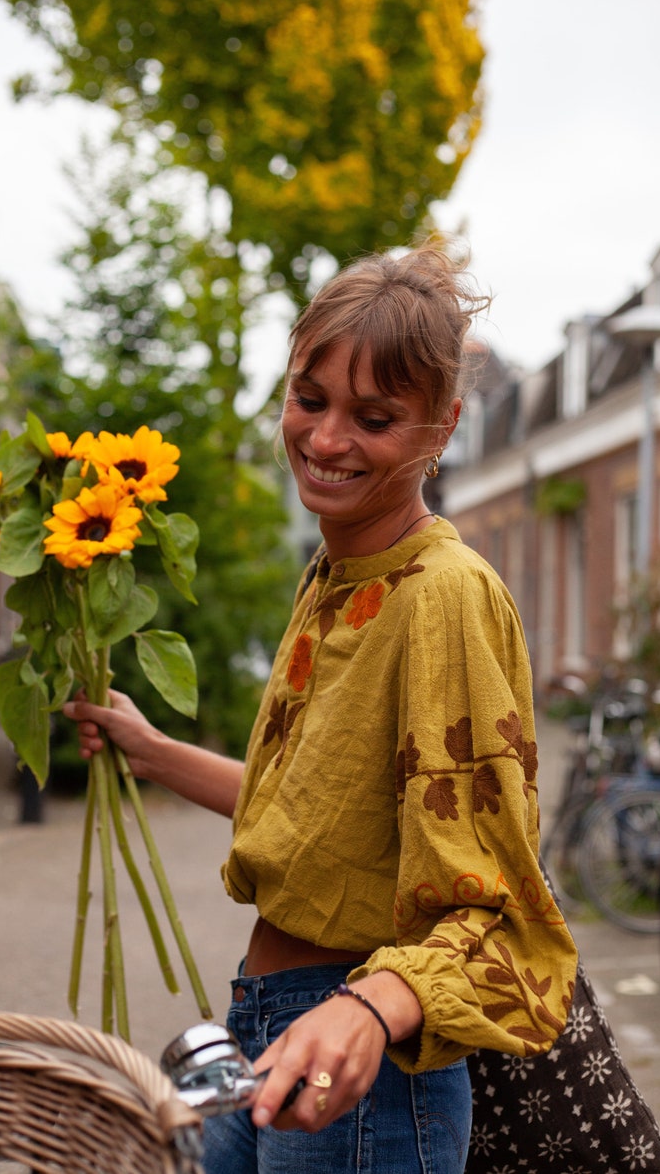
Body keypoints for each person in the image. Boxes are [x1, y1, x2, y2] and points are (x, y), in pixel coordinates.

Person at [64, 241, 578, 1174]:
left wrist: (368, 1006)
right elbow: (315, 819)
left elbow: (499, 910)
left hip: (363, 1064)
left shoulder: (444, 594)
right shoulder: (337, 575)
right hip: (270, 1028)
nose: (328, 438)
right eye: (310, 400)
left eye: (375, 417)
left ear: (443, 427)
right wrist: (151, 749)